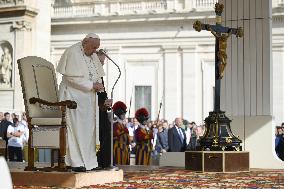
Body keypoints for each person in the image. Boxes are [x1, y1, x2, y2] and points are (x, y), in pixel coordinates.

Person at [56, 33, 112, 172]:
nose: (94, 51)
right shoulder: (73, 52)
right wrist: (91, 85)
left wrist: (98, 87)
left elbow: (96, 75)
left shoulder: (91, 54)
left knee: (88, 132)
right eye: (93, 47)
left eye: (96, 48)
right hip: (72, 99)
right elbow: (71, 78)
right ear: (85, 42)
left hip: (88, 101)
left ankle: (89, 162)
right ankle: (75, 162)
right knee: (76, 131)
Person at [112, 101, 130, 165]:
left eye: (124, 114)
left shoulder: (124, 125)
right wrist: (123, 131)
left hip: (125, 149)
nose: (124, 116)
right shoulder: (115, 124)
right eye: (123, 114)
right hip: (118, 149)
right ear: (119, 114)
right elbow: (115, 135)